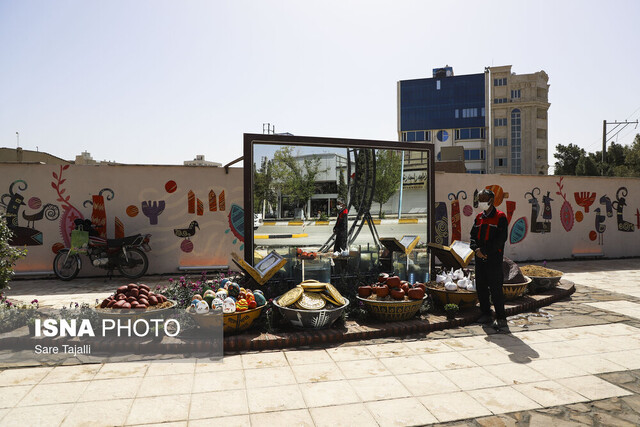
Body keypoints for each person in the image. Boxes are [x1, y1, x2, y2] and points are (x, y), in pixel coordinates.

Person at [469, 189, 509, 330]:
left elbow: (501, 239)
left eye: (483, 199)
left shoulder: (500, 217)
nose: (481, 202)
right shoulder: (479, 217)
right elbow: (473, 236)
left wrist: (485, 251)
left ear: (491, 200)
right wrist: (476, 249)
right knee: (481, 287)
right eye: (479, 199)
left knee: (496, 288)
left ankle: (501, 317)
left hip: (493, 258)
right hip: (479, 258)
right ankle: (486, 313)